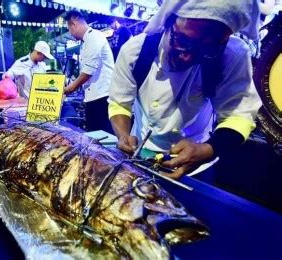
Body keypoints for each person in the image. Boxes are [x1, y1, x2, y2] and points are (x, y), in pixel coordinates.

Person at [109, 0, 262, 179]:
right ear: (168, 22)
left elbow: (238, 115)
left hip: (196, 166)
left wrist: (209, 149)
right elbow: (119, 103)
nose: (187, 56)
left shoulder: (232, 56)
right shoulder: (136, 51)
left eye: (206, 49)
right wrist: (123, 135)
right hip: (139, 155)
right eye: (181, 41)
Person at [64, 10, 115, 133]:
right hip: (93, 97)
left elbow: (88, 71)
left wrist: (70, 88)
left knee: (104, 139)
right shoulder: (86, 43)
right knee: (94, 138)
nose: (70, 34)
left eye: (69, 29)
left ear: (74, 24)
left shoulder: (94, 36)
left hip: (102, 97)